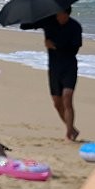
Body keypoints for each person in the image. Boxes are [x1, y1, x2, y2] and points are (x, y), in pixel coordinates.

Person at [24, 8, 81, 141]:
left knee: (67, 97)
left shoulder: (75, 26)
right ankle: (72, 129)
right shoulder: (49, 22)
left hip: (69, 66)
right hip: (54, 68)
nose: (57, 16)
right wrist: (34, 15)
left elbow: (75, 49)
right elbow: (25, 26)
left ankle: (68, 134)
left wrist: (54, 46)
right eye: (56, 14)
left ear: (66, 14)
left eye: (60, 14)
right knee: (57, 103)